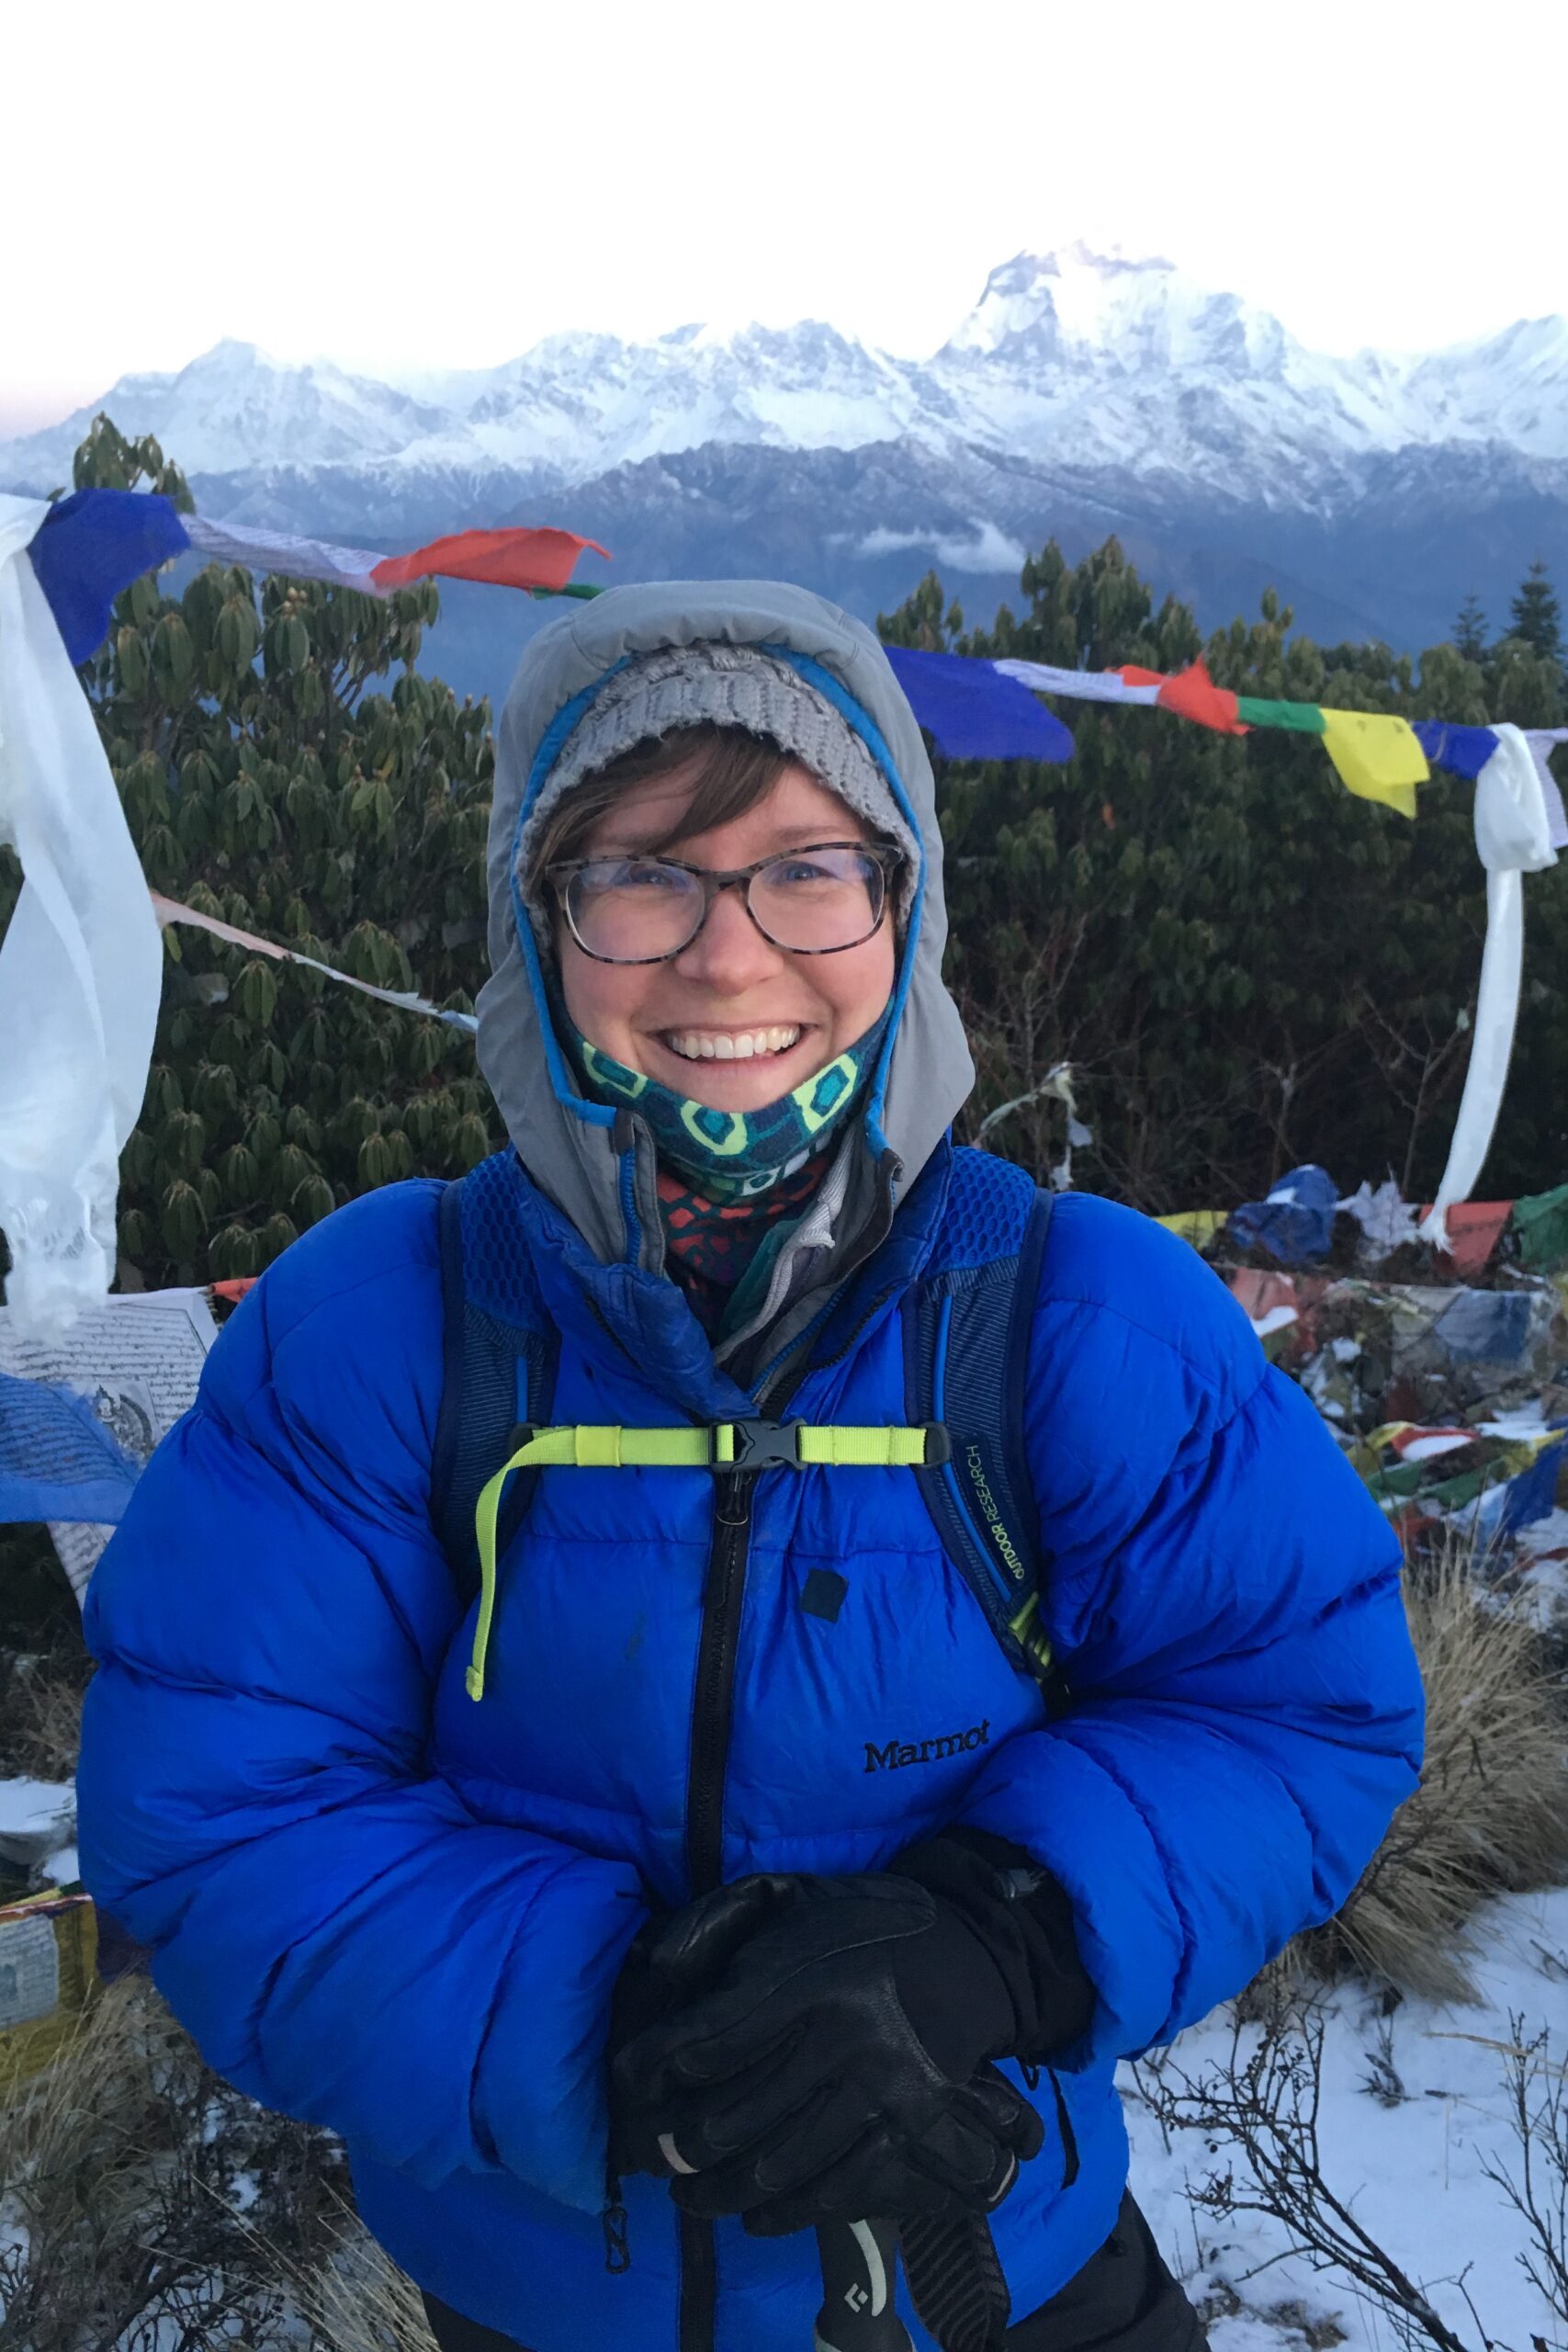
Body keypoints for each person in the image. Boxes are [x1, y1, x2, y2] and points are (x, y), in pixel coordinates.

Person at [77, 582, 1425, 2352]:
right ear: (536, 927)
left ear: (905, 907)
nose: (729, 956)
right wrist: (618, 2032)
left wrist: (998, 1936)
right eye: (638, 875)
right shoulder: (381, 1330)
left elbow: (1294, 1707)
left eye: (809, 867)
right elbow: (220, 1804)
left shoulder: (1081, 1319)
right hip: (543, 2299)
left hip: (999, 2278)